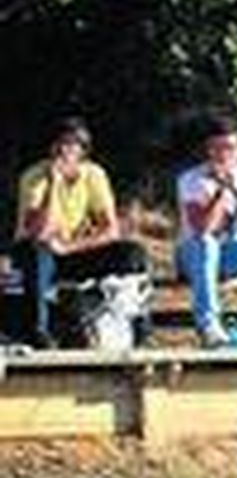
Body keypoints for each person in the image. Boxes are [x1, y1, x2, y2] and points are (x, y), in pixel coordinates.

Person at [11, 118, 149, 350]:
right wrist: (54, 184)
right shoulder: (34, 176)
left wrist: (70, 247)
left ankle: (137, 324)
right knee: (37, 253)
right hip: (37, 251)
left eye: (70, 145)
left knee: (132, 253)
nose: (63, 151)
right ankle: (38, 331)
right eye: (59, 144)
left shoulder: (94, 174)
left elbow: (111, 229)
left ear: (83, 151)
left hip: (72, 249)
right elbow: (40, 232)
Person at [175, 112, 237, 349]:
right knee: (206, 244)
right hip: (194, 255)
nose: (222, 155)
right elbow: (203, 228)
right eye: (216, 148)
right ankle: (209, 324)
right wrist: (221, 191)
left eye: (229, 148)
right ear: (207, 150)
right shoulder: (191, 180)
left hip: (232, 253)